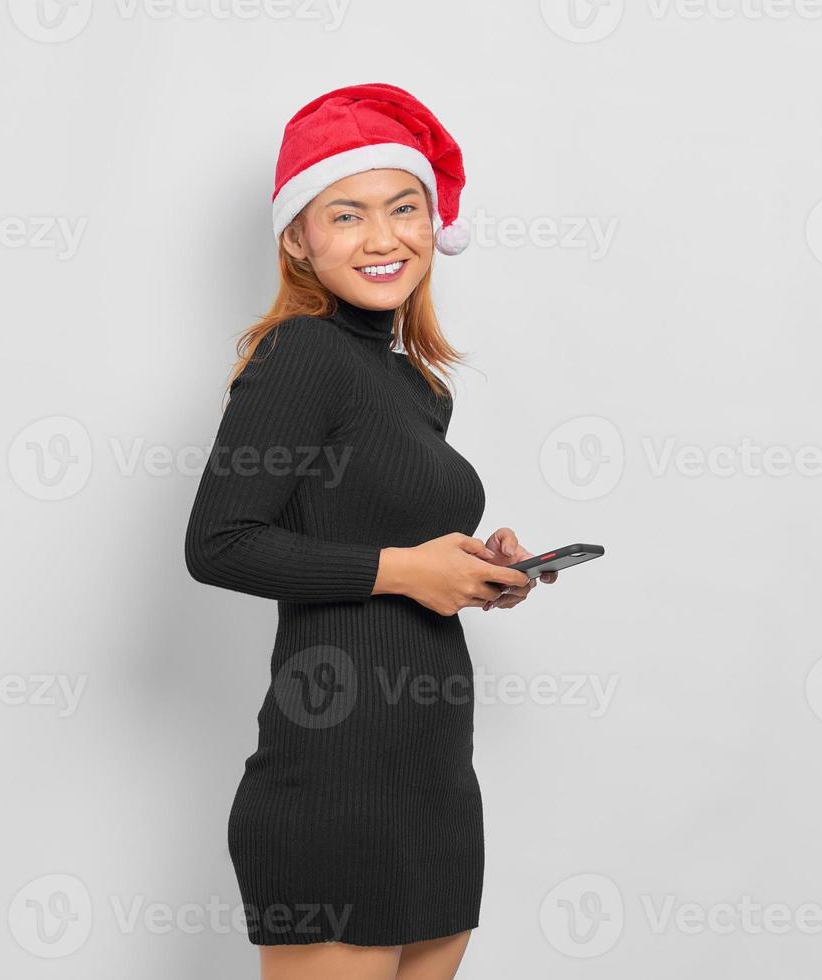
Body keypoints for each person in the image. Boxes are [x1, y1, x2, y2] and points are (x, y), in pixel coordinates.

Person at [185, 82, 557, 980]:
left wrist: (470, 567)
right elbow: (218, 543)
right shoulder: (302, 352)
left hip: (431, 780)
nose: (383, 237)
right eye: (346, 213)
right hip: (334, 785)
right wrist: (403, 571)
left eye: (404, 207)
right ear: (297, 237)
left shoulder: (417, 387)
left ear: (434, 222)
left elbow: (371, 534)